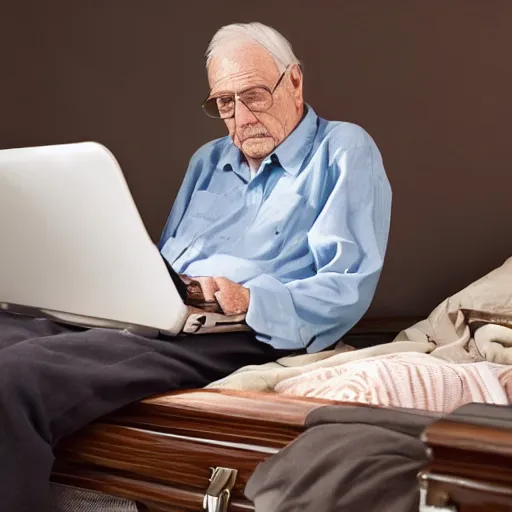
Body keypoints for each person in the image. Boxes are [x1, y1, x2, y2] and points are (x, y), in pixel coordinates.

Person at [0, 22, 391, 511]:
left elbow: (346, 288)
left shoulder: (343, 148)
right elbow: (162, 257)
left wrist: (249, 299)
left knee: (13, 378)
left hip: (237, 331)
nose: (241, 118)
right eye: (224, 104)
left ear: (294, 82)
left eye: (253, 95)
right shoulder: (208, 160)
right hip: (170, 311)